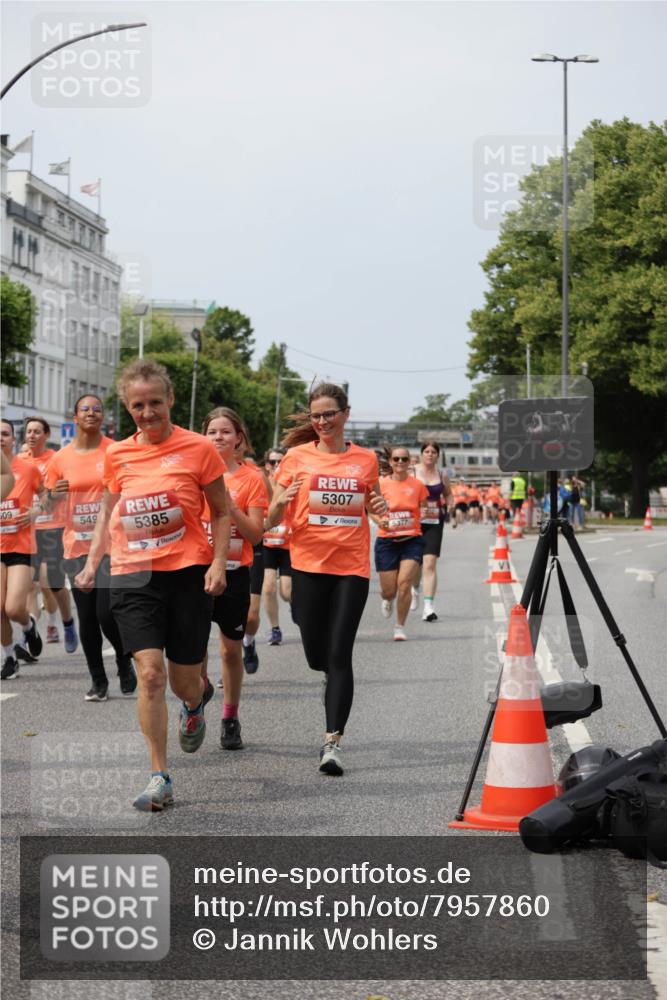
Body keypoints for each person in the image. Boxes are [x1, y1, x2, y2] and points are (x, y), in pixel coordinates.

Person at [75, 359, 229, 811]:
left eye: (155, 403)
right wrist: (90, 565)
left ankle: (197, 700)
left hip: (187, 574)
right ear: (128, 406)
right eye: (138, 405)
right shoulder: (118, 454)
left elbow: (220, 512)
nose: (148, 413)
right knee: (150, 674)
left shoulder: (200, 448)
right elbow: (108, 511)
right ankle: (159, 775)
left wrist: (219, 563)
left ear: (171, 401)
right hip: (133, 575)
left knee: (183, 683)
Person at [267, 382, 386, 776]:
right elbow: (272, 516)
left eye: (329, 414)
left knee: (339, 656)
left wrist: (380, 509)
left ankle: (332, 742)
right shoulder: (296, 457)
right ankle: (326, 675)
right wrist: (279, 504)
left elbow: (375, 506)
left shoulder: (366, 460)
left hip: (350, 568)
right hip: (306, 565)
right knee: (316, 654)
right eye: (316, 415)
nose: (322, 421)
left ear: (345, 414)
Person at [45, 394, 136, 701]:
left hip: (112, 543)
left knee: (107, 613)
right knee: (88, 617)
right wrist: (53, 496)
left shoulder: (116, 450)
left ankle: (124, 660)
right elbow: (47, 503)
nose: (92, 413)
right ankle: (98, 681)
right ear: (75, 417)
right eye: (85, 409)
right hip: (75, 545)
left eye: (97, 409)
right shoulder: (60, 458)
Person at [201, 408, 268, 750]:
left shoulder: (251, 479)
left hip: (235, 573)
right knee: (194, 649)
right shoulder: (192, 474)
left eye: (225, 432)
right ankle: (196, 698)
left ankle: (230, 717)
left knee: (229, 652)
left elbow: (256, 536)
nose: (218, 438)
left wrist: (230, 506)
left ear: (238, 438)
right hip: (195, 573)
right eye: (212, 432)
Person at [23, 417, 78, 651]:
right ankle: (32, 628)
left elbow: (61, 493)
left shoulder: (55, 460)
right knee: (28, 584)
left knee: (52, 583)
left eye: (37, 431)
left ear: (46, 435)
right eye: (29, 431)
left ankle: (66, 622)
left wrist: (41, 507)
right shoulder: (18, 462)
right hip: (27, 531)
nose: (32, 435)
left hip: (53, 529)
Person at [1, 419, 43, 680]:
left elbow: (48, 495)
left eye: (5, 434)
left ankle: (28, 627)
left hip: (20, 547)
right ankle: (9, 658)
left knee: (14, 608)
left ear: (14, 440)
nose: (0, 438)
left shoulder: (27, 469)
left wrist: (37, 510)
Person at [374, 446, 428, 640]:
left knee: (404, 584)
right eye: (396, 459)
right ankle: (387, 599)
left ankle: (400, 627)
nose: (400, 463)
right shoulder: (380, 484)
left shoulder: (418, 485)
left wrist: (420, 515)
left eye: (404, 459)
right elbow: (370, 508)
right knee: (389, 590)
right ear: (390, 462)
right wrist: (379, 520)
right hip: (387, 542)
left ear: (409, 462)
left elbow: (424, 507)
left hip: (412, 539)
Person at [412, 440, 451, 622]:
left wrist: (450, 506)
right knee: (414, 565)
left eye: (433, 452)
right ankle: (414, 588)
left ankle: (428, 606)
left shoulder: (442, 474)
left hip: (435, 522)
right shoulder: (412, 472)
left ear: (437, 455)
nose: (429, 454)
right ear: (422, 454)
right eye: (426, 451)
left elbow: (448, 494)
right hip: (414, 522)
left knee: (429, 563)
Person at [261, 448, 293, 645]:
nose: (276, 466)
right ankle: (275, 629)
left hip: (288, 545)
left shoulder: (291, 487)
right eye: (273, 462)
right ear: (267, 465)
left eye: (280, 462)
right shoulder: (261, 486)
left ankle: (294, 605)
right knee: (268, 587)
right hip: (267, 545)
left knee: (286, 592)